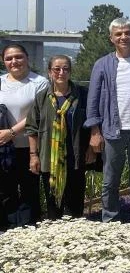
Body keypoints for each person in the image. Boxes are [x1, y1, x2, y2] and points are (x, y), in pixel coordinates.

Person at [85, 18, 130, 223]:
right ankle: (110, 220)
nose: (123, 37)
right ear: (111, 38)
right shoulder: (102, 64)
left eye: (127, 33)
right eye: (118, 34)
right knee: (110, 181)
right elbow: (93, 100)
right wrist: (94, 131)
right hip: (111, 131)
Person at [25, 56, 94, 219]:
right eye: (57, 69)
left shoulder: (83, 94)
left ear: (70, 72)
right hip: (50, 158)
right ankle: (54, 236)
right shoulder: (42, 97)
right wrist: (33, 156)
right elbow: (32, 128)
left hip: (75, 157)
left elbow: (93, 122)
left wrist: (91, 148)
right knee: (53, 205)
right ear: (49, 72)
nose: (61, 72)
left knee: (75, 204)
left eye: (65, 69)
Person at [0, 43, 48, 227]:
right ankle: (9, 233)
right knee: (6, 192)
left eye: (18, 57)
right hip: (4, 150)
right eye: (9, 58)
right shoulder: (1, 81)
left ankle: (29, 231)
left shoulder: (39, 82)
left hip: (30, 148)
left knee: (30, 193)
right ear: (3, 61)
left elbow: (38, 114)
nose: (14, 61)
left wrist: (11, 132)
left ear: (27, 58)